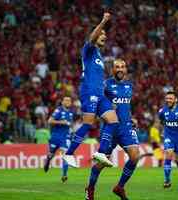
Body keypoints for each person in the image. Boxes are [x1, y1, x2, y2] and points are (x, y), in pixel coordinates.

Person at [63, 12, 119, 167]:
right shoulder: (88, 50)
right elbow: (91, 38)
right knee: (88, 123)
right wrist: (103, 21)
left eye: (105, 35)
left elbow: (98, 79)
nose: (104, 37)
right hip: (89, 92)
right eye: (102, 34)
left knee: (113, 121)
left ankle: (100, 153)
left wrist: (109, 93)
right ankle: (68, 154)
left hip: (100, 94)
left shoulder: (99, 56)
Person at [85, 59, 139, 200]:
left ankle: (119, 187)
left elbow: (126, 106)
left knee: (135, 156)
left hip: (126, 127)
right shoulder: (106, 85)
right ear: (113, 70)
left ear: (126, 69)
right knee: (101, 163)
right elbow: (96, 102)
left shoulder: (129, 86)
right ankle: (90, 188)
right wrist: (106, 109)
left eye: (122, 66)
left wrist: (131, 118)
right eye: (117, 67)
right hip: (111, 128)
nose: (120, 69)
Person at [43, 96, 74, 183]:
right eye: (66, 100)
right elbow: (50, 121)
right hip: (55, 136)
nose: (68, 102)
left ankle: (64, 174)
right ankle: (48, 161)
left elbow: (69, 125)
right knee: (51, 154)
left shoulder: (71, 113)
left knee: (66, 155)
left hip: (65, 138)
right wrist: (61, 122)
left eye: (69, 100)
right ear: (62, 102)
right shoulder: (58, 110)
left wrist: (72, 132)